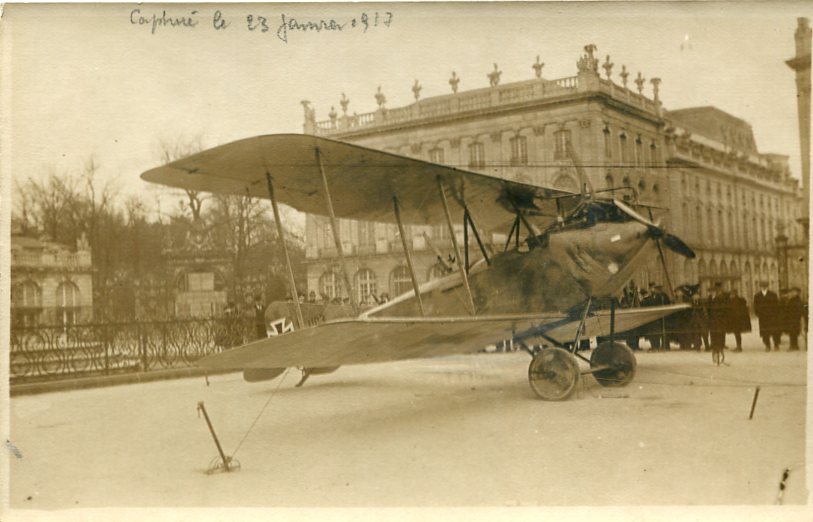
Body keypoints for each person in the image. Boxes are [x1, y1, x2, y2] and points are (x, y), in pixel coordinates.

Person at [753, 281, 781, 351]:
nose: (763, 287)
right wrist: (758, 314)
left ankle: (776, 345)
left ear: (767, 286)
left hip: (772, 317)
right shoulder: (757, 296)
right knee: (765, 332)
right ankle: (767, 345)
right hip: (763, 317)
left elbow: (777, 306)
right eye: (762, 286)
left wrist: (776, 314)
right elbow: (755, 306)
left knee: (775, 331)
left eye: (765, 286)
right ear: (760, 287)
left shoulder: (773, 295)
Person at [725, 288, 751, 352]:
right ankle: (738, 346)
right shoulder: (736, 300)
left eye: (732, 294)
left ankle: (739, 347)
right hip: (736, 320)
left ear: (734, 294)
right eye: (731, 294)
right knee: (737, 333)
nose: (731, 295)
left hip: (736, 320)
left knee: (737, 333)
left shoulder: (736, 301)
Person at [707, 282, 729, 354]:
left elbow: (723, 308)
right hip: (712, 318)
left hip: (719, 318)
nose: (712, 293)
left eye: (713, 292)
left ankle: (720, 344)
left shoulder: (720, 298)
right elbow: (708, 308)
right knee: (712, 332)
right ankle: (713, 344)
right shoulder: (709, 298)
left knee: (720, 331)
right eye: (711, 292)